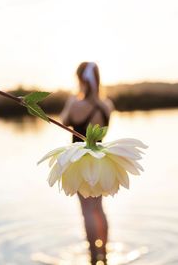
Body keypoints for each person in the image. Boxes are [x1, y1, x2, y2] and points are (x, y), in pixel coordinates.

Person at [60, 62, 114, 265]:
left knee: (86, 211)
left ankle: (93, 256)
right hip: (101, 161)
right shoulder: (107, 104)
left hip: (80, 162)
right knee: (99, 208)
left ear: (81, 80)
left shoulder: (75, 103)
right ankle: (105, 254)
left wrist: (73, 98)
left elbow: (64, 121)